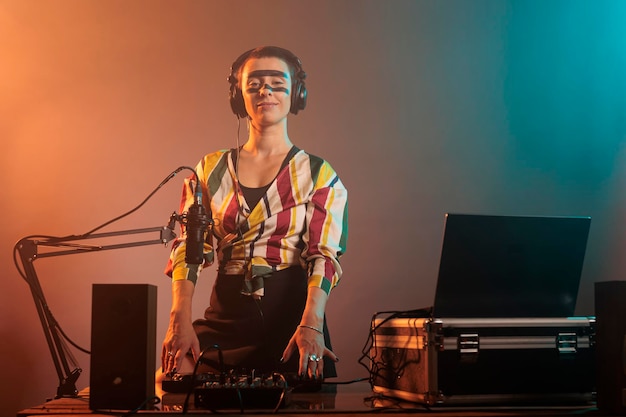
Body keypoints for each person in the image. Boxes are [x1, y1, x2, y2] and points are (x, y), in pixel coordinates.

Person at [157, 46, 348, 389]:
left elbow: (324, 256)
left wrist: (312, 324)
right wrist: (178, 319)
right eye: (255, 83)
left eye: (277, 82)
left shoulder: (320, 174)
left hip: (293, 319)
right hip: (226, 313)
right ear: (238, 94)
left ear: (296, 93)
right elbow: (189, 248)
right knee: (171, 385)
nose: (266, 91)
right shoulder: (209, 170)